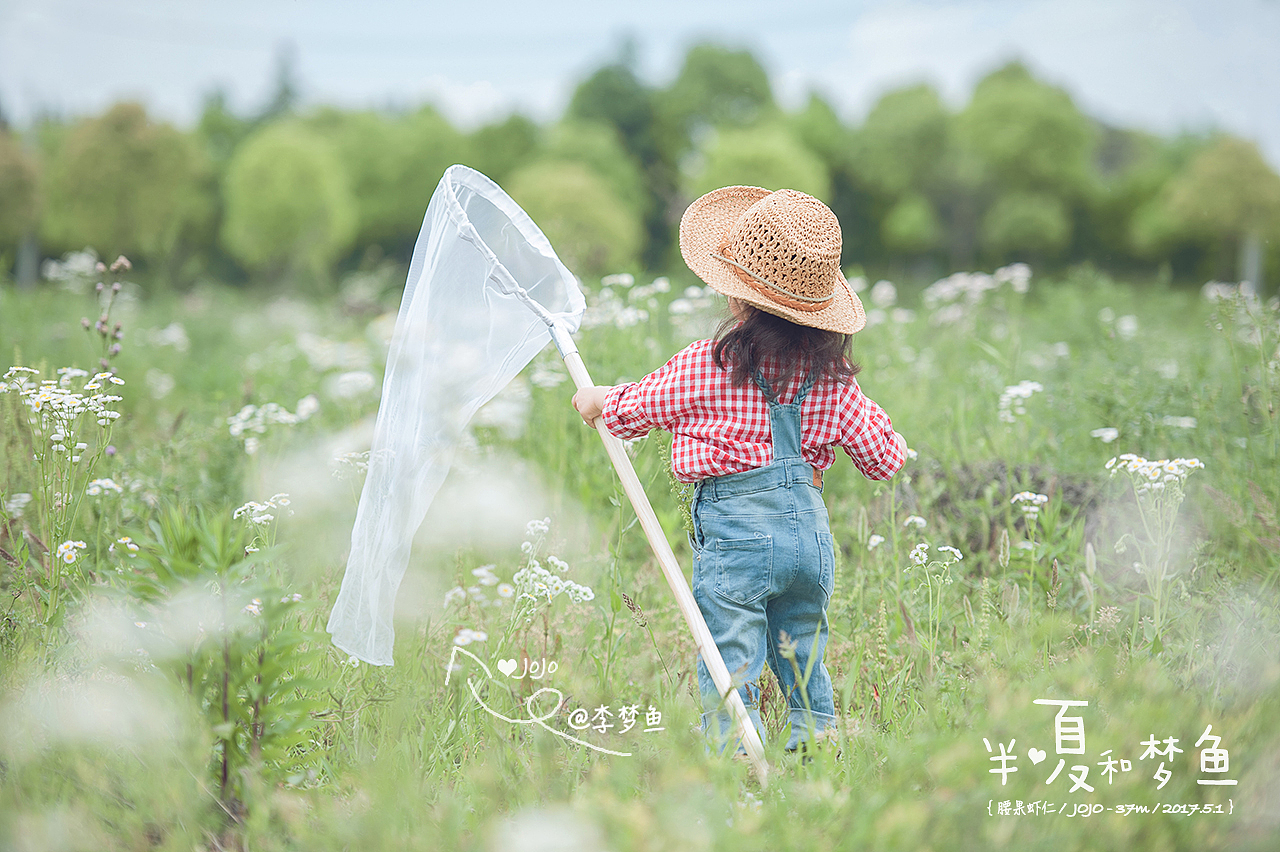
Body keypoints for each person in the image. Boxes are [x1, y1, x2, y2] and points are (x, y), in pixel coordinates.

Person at [572, 186, 907, 755]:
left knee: (731, 655)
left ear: (737, 299)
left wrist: (596, 400)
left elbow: (632, 410)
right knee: (804, 651)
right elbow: (885, 459)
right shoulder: (835, 383)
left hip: (737, 541)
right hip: (809, 541)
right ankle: (814, 752)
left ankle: (733, 767)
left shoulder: (708, 366)